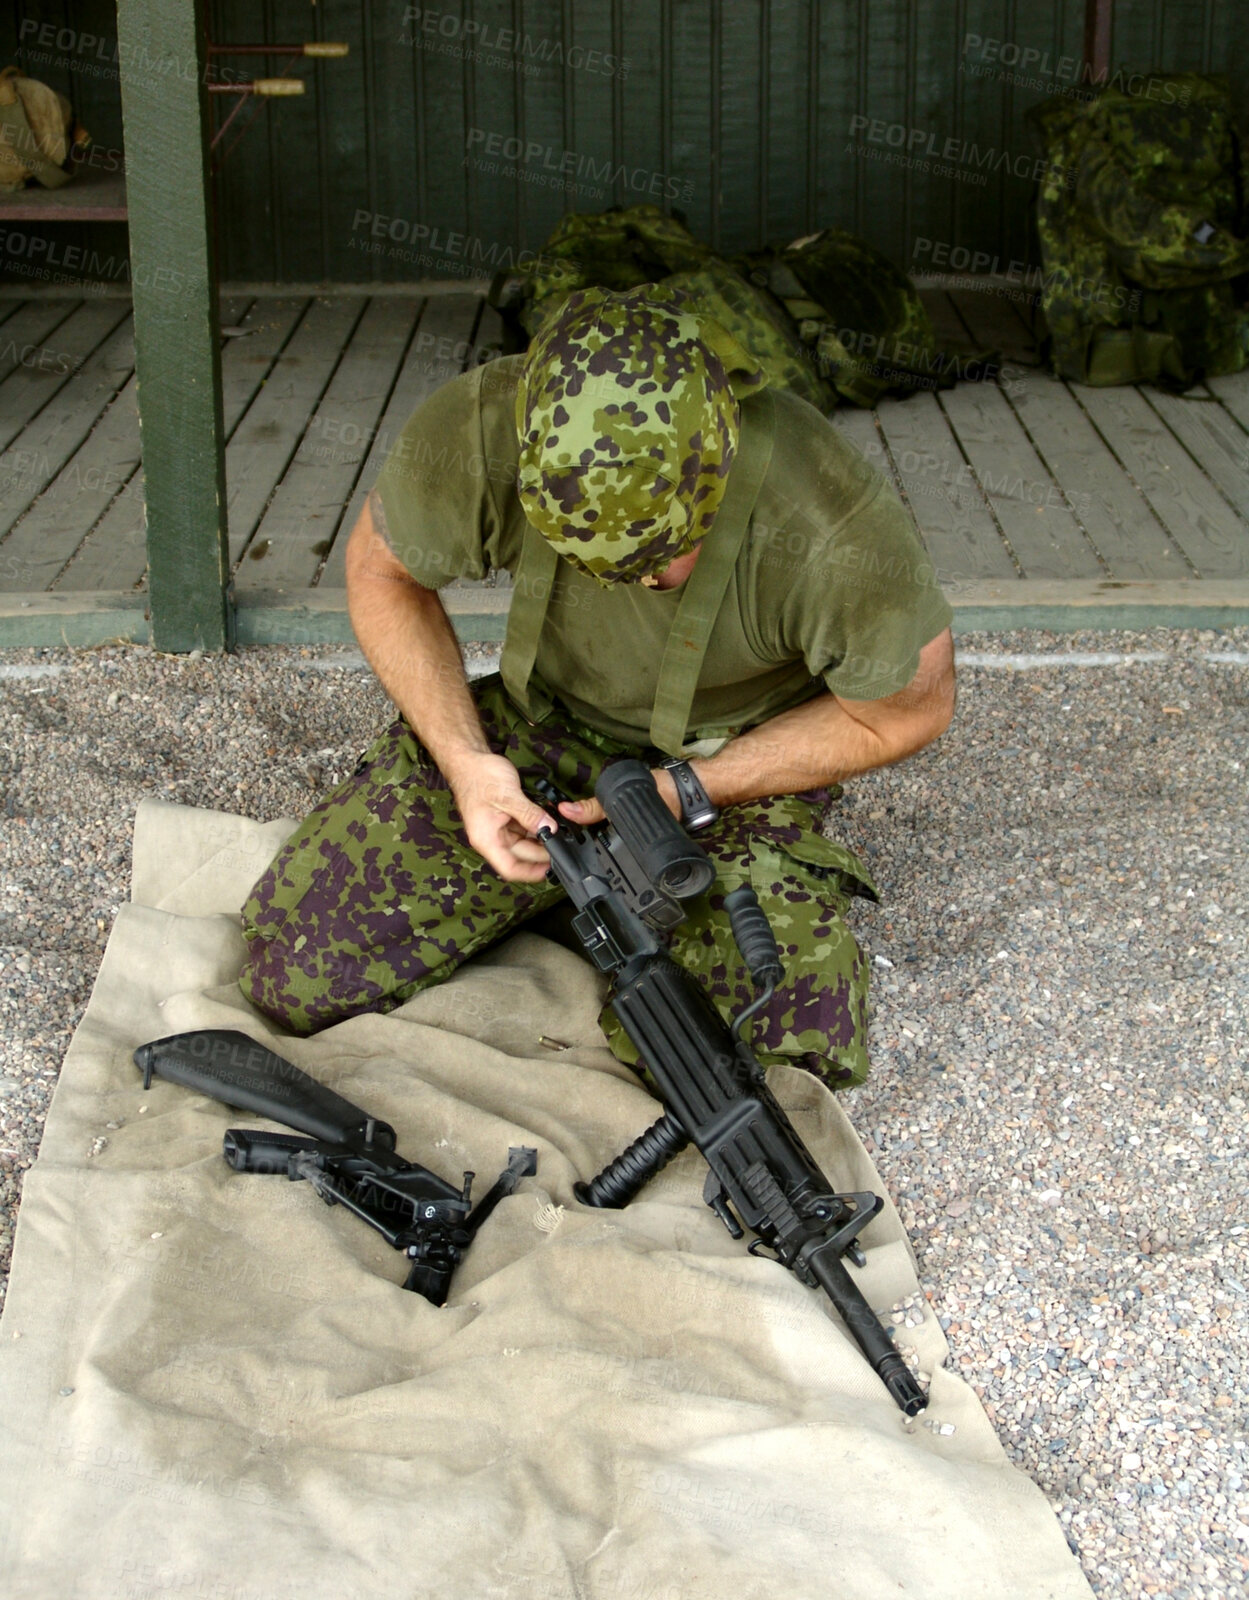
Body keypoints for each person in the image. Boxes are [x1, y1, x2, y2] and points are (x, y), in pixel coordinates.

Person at [237, 283, 955, 1091]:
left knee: (765, 1063)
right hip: (539, 734)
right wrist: (465, 761)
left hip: (729, 775)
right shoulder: (483, 426)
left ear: (713, 478)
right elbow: (382, 570)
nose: (633, 582)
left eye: (654, 563)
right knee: (289, 972)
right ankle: (567, 902)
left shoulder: (828, 522)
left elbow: (908, 711)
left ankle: (581, 912)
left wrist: (690, 788)